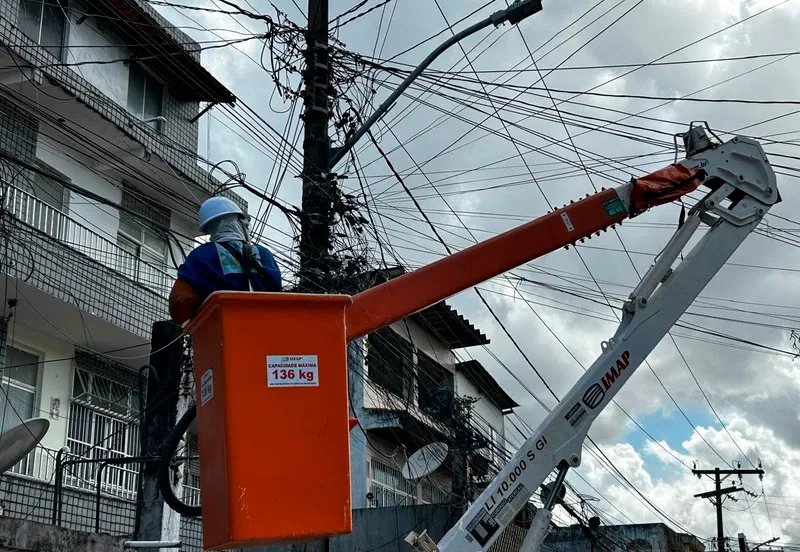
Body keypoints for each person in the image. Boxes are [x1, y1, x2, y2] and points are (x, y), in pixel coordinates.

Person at [169, 196, 282, 325]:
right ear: (239, 222)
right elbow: (277, 292)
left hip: (222, 330)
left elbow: (180, 302)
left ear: (210, 227)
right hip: (267, 327)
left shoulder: (201, 255)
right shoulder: (264, 254)